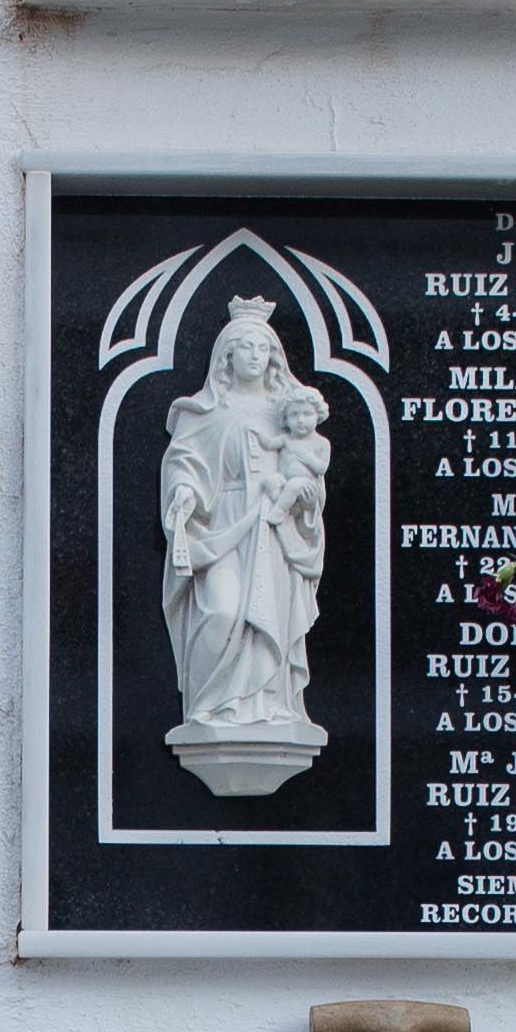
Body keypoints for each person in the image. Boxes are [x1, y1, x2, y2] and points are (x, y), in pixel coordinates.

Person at [158, 297, 330, 737]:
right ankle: (207, 707)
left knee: (268, 619)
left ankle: (269, 707)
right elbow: (184, 461)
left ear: (272, 357)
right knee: (221, 608)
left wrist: (307, 499)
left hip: (272, 530)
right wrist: (184, 494)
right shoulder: (205, 410)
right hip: (222, 526)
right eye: (245, 347)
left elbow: (309, 471)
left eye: (261, 348)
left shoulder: (289, 412)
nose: (254, 356)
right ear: (226, 355)